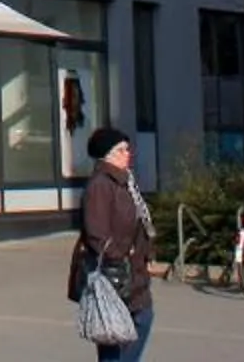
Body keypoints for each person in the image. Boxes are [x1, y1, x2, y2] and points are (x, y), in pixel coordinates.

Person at [74, 127, 153, 362]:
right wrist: (120, 256)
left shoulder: (125, 183)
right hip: (114, 274)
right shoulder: (101, 185)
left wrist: (145, 253)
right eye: (121, 149)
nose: (128, 153)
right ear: (107, 155)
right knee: (115, 331)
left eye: (128, 148)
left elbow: (140, 223)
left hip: (131, 272)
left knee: (126, 329)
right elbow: (97, 234)